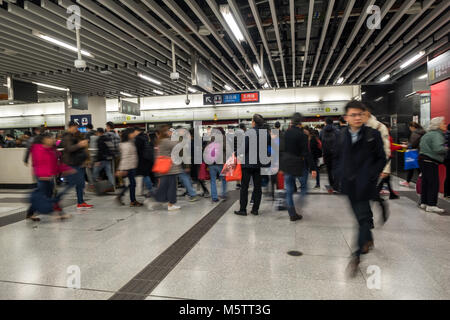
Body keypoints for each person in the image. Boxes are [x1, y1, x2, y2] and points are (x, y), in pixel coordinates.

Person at [335, 100, 386, 276]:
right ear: (346, 117)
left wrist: (372, 174)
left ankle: (356, 255)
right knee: (360, 217)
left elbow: (382, 158)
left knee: (363, 219)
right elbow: (337, 157)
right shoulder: (341, 135)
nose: (357, 118)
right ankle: (368, 239)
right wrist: (339, 175)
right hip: (349, 185)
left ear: (365, 115)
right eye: (353, 115)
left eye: (360, 114)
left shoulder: (373, 134)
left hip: (366, 185)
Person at [27, 133, 74, 221]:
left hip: (49, 176)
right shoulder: (38, 149)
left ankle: (31, 213)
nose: (53, 140)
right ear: (44, 140)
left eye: (53, 138)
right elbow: (38, 163)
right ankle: (58, 213)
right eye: (50, 138)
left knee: (47, 195)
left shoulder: (52, 150)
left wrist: (66, 169)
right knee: (44, 196)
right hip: (42, 177)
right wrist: (43, 175)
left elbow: (56, 164)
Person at [280, 113, 317, 221]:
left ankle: (292, 213)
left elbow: (282, 150)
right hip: (299, 164)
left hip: (287, 164)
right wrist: (313, 168)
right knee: (304, 186)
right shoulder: (303, 135)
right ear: (300, 123)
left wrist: (281, 166)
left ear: (291, 122)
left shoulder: (285, 134)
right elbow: (306, 153)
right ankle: (299, 203)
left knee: (289, 189)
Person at [234, 114, 270, 216]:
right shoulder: (266, 134)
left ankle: (243, 209)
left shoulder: (250, 132)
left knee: (244, 187)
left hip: (247, 164)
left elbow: (244, 148)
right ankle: (255, 209)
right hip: (259, 164)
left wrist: (235, 153)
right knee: (257, 187)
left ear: (254, 122)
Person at [61, 121, 94, 210]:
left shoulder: (73, 136)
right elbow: (69, 149)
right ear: (70, 127)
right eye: (75, 128)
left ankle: (81, 202)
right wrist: (79, 144)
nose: (76, 129)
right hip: (71, 163)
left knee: (80, 183)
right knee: (74, 184)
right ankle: (57, 200)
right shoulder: (67, 136)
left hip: (77, 162)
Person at [418, 117, 447, 213]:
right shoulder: (437, 135)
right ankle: (431, 204)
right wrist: (447, 148)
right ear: (438, 125)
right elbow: (438, 149)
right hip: (430, 161)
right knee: (433, 183)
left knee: (426, 182)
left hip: (422, 160)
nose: (445, 125)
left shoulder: (427, 134)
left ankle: (424, 202)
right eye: (443, 123)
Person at [152, 124, 182, 211]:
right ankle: (170, 204)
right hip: (169, 168)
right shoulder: (166, 141)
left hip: (165, 168)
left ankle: (159, 198)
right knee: (171, 187)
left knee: (165, 186)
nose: (170, 132)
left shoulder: (159, 140)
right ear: (165, 132)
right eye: (169, 130)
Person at [116, 127, 142, 207]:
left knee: (132, 184)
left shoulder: (131, 142)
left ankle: (129, 199)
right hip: (127, 167)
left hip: (131, 166)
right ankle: (131, 200)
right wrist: (122, 169)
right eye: (133, 133)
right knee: (132, 183)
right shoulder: (124, 145)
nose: (134, 134)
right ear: (128, 134)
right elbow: (125, 157)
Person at [376, 122, 402, 200]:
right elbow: (390, 147)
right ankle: (376, 194)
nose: (390, 129)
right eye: (389, 127)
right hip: (386, 157)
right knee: (385, 176)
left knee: (386, 177)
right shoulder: (385, 135)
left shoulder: (379, 134)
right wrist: (401, 146)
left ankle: (391, 194)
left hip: (383, 157)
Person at [400, 122, 426, 187]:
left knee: (413, 167)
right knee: (416, 168)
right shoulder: (422, 132)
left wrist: (407, 145)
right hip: (421, 152)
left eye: (410, 127)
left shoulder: (415, 133)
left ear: (413, 127)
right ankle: (408, 181)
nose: (410, 129)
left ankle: (422, 183)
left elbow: (413, 143)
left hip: (415, 152)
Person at [205, 127, 227, 203]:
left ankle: (214, 197)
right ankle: (223, 194)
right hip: (221, 162)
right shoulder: (223, 138)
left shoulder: (210, 138)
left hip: (212, 163)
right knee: (223, 179)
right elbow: (227, 148)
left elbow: (206, 149)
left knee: (213, 180)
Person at [321, 118, 340, 192]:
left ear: (325, 122)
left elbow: (320, 141)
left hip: (326, 153)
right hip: (335, 153)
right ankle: (336, 185)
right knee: (336, 169)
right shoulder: (337, 130)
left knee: (329, 170)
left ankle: (331, 184)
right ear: (332, 122)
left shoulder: (322, 131)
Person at [135, 128, 154, 197]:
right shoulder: (146, 137)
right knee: (145, 175)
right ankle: (149, 190)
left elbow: (137, 150)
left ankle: (150, 190)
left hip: (142, 159)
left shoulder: (138, 138)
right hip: (148, 159)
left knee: (145, 175)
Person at [105, 122, 122, 187]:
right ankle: (120, 183)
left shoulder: (107, 134)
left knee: (112, 170)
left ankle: (113, 184)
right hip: (118, 154)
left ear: (108, 127)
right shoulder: (117, 134)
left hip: (112, 155)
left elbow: (108, 145)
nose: (106, 128)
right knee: (118, 169)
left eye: (106, 127)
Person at [444, 124, 450, 199]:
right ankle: (447, 193)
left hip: (446, 158)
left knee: (448, 175)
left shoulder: (445, 135)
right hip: (449, 158)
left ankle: (446, 192)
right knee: (449, 176)